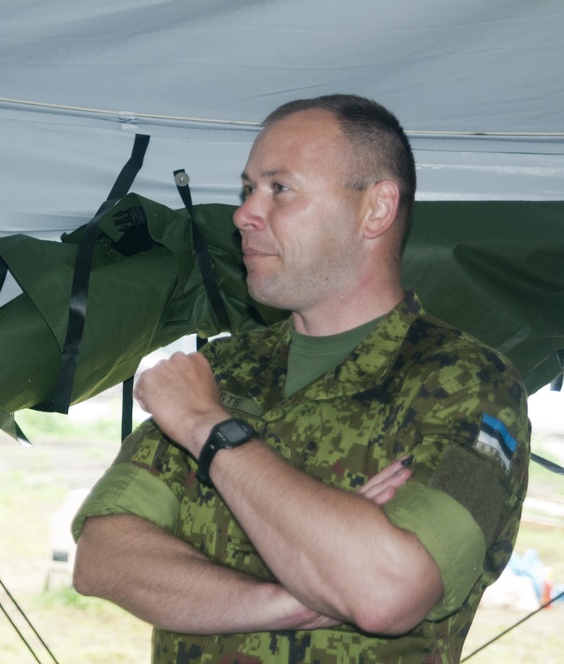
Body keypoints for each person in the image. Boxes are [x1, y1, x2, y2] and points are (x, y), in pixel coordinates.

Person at [71, 94, 530, 663]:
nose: (243, 213)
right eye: (247, 190)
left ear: (376, 210)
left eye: (279, 189)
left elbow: (385, 590)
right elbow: (103, 557)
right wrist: (288, 599)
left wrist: (210, 430)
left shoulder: (465, 383)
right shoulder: (225, 368)